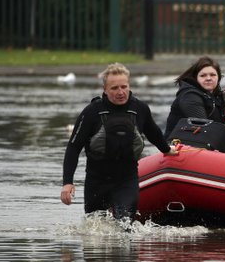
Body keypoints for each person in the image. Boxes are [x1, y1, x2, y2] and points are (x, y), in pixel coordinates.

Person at [60, 63, 177, 220]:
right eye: (114, 88)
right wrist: (67, 182)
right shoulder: (92, 112)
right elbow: (74, 147)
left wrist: (167, 150)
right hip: (97, 181)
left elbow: (154, 133)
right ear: (105, 90)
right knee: (96, 229)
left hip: (126, 180)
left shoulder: (140, 109)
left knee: (124, 224)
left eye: (124, 86)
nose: (121, 92)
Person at [164, 56, 225, 142]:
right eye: (203, 75)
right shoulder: (189, 96)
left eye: (212, 75)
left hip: (210, 144)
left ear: (218, 77)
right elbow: (204, 127)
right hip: (180, 146)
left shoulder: (220, 96)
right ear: (196, 77)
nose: (208, 78)